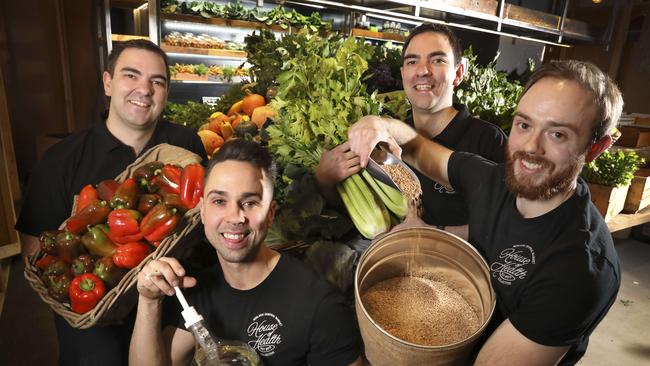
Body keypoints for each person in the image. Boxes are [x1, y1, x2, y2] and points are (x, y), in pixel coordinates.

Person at [346, 60, 622, 365]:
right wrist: (379, 124)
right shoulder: (491, 180)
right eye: (524, 124)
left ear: (595, 149)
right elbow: (416, 147)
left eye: (558, 134)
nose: (531, 147)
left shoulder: (578, 269)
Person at [15, 39, 207, 366]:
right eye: (130, 76)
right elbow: (37, 252)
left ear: (166, 92)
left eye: (157, 81)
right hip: (95, 314)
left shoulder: (185, 143)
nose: (144, 89)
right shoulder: (61, 160)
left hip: (173, 299)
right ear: (108, 83)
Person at [130, 139, 363, 366]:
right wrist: (149, 300)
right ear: (202, 211)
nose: (234, 217)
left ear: (271, 214)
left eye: (250, 203)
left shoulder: (320, 306)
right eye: (219, 201)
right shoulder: (198, 290)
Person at [315, 23, 507, 237]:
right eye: (412, 61)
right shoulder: (382, 141)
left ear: (459, 72)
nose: (423, 71)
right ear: (403, 73)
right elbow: (356, 206)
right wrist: (325, 180)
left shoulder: (488, 140)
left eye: (437, 60)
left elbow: (508, 225)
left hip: (459, 266)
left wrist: (433, 233)